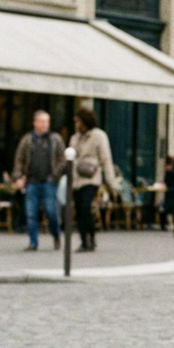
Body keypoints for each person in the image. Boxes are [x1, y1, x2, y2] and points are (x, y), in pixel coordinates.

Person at [12, 110, 64, 251]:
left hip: (48, 182)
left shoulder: (55, 139)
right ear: (35, 123)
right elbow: (19, 160)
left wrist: (55, 175)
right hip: (32, 182)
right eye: (41, 121)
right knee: (31, 213)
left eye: (47, 121)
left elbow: (62, 160)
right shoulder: (27, 140)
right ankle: (33, 242)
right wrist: (18, 177)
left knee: (51, 212)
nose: (44, 124)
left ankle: (56, 235)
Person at [69, 108, 117, 253]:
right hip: (77, 180)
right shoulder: (74, 138)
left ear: (85, 121)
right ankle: (85, 240)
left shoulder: (99, 136)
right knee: (79, 209)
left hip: (91, 179)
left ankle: (90, 238)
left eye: (78, 121)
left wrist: (111, 181)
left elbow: (106, 159)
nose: (77, 124)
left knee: (85, 207)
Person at [159, 156, 174, 230]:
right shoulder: (168, 173)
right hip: (169, 196)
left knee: (162, 208)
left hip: (171, 196)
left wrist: (167, 188)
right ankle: (165, 224)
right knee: (161, 206)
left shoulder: (173, 173)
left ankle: (164, 225)